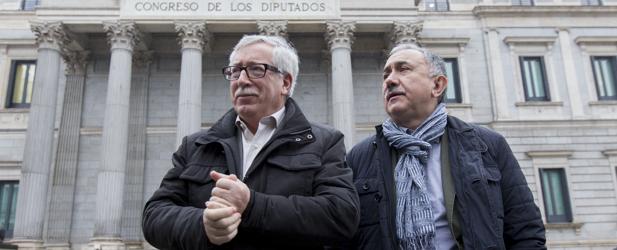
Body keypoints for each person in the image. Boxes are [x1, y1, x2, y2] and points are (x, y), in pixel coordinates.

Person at [142, 35, 359, 249]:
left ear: (285, 82)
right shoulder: (197, 145)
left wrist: (253, 205)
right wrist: (201, 226)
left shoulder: (323, 142)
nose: (242, 80)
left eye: (257, 69)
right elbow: (154, 215)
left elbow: (341, 216)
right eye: (235, 71)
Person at [347, 43, 546, 249]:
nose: (390, 80)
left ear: (437, 85)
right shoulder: (359, 157)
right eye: (386, 74)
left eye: (403, 69)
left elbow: (526, 231)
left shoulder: (487, 145)